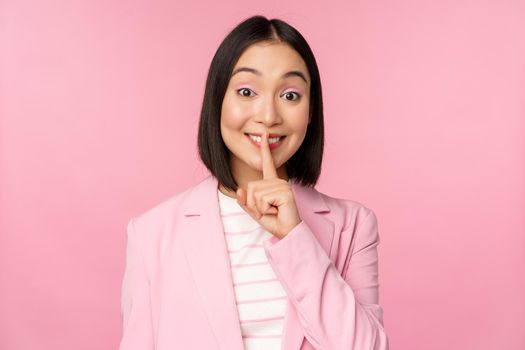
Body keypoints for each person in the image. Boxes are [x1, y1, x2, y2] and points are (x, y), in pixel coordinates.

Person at [119, 15, 389, 350]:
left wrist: (294, 236)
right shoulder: (151, 233)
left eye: (290, 95)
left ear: (310, 110)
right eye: (247, 91)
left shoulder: (354, 226)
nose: (268, 115)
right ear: (217, 100)